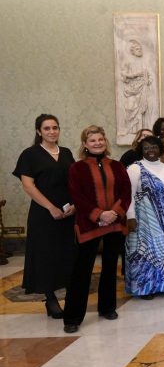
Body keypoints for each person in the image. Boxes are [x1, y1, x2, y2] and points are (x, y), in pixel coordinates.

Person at [63, 126, 131, 333]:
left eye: (100, 139)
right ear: (85, 144)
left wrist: (114, 213)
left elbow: (126, 192)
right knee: (82, 270)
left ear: (105, 141)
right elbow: (77, 196)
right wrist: (99, 214)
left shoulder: (117, 165)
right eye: (92, 140)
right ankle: (72, 318)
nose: (97, 143)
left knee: (110, 267)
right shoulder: (77, 168)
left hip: (115, 223)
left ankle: (107, 308)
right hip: (88, 224)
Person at [12, 114, 76, 319]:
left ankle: (71, 295)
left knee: (68, 254)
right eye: (47, 128)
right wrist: (50, 207)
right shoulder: (29, 154)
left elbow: (74, 182)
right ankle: (50, 298)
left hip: (68, 213)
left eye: (55, 127)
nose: (51, 132)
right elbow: (28, 186)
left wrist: (74, 205)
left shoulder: (66, 152)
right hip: (44, 213)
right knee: (46, 255)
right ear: (39, 131)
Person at [125, 136, 164, 299]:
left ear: (160, 149)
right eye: (146, 148)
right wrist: (130, 217)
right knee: (145, 253)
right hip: (144, 219)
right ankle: (144, 288)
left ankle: (163, 285)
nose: (150, 151)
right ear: (141, 150)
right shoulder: (135, 168)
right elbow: (128, 195)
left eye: (154, 147)